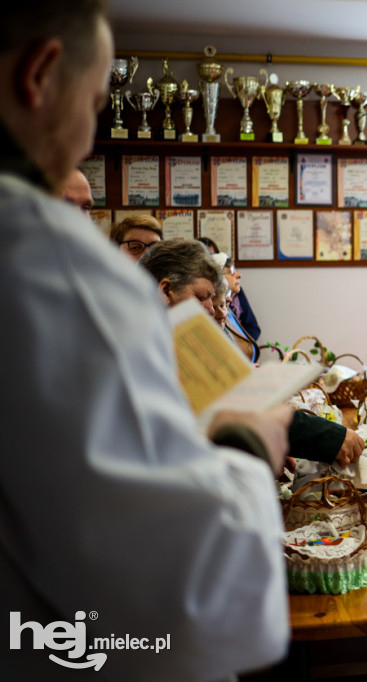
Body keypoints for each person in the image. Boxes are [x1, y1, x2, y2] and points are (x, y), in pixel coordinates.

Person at [0, 3, 293, 679]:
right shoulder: (54, 272)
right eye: (98, 100)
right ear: (41, 75)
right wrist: (251, 443)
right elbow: (188, 592)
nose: (88, 132)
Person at [141, 242, 364, 470]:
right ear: (166, 290)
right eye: (200, 297)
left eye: (214, 300)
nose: (210, 310)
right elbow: (238, 408)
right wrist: (332, 437)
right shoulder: (152, 349)